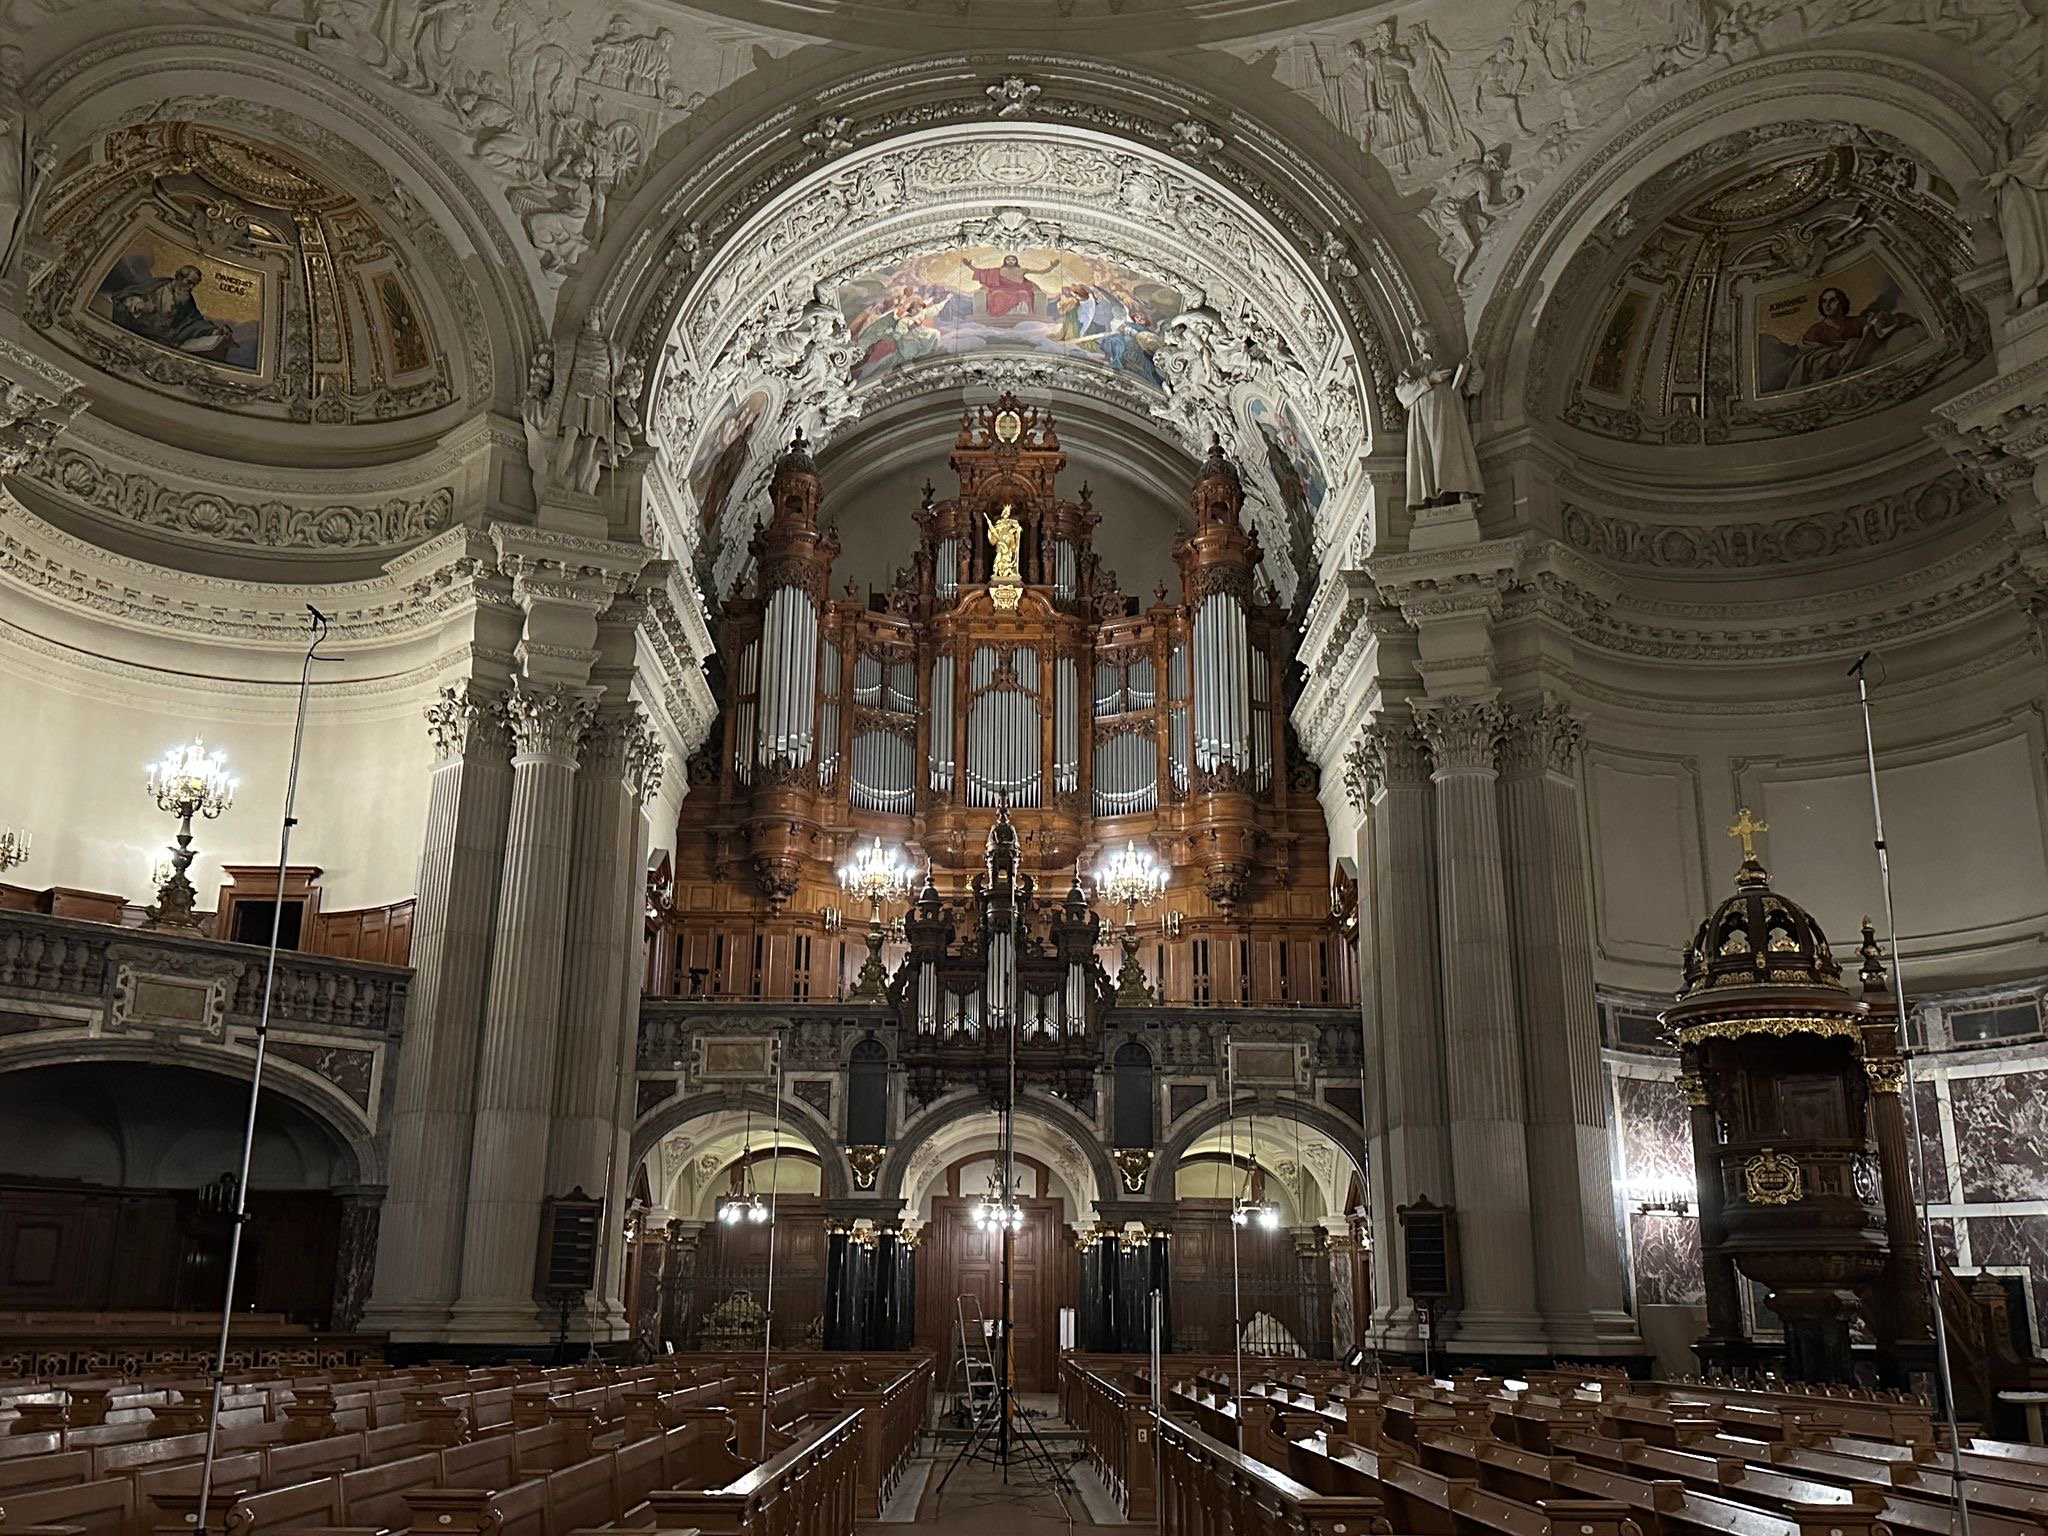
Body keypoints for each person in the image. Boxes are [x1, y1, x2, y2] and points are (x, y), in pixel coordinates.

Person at [1394, 324, 1484, 508]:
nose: (1417, 344)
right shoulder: (1412, 370)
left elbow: (1470, 388)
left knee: (1451, 451)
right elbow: (1402, 393)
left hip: (1449, 418)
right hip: (1424, 423)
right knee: (1430, 456)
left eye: (1421, 338)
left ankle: (1460, 491)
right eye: (1415, 341)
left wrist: (1474, 367)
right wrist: (1429, 380)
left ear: (1433, 337)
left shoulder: (1450, 364)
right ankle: (1434, 497)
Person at [1782, 286, 1917, 388]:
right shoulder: (1816, 331)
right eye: (1824, 301)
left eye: (1832, 300)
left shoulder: (1855, 322)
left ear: (1841, 303)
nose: (1827, 305)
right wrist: (1840, 354)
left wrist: (1876, 324)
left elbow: (1876, 324)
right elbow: (1808, 362)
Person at [111, 264, 235, 356]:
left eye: (194, 285)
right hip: (140, 332)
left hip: (164, 338)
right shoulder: (158, 286)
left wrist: (214, 331)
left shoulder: (186, 300)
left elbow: (195, 320)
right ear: (179, 278)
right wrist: (140, 305)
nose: (191, 287)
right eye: (189, 282)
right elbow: (126, 296)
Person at [1991, 122, 2048, 311]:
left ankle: (2031, 293)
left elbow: (2044, 142)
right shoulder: (2013, 130)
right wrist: (2002, 147)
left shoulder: (2038, 119)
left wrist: (2007, 171)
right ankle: (2028, 293)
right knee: (2021, 238)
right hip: (2019, 194)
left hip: (2035, 194)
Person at [959, 253, 1056, 316]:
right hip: (1001, 289)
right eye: (1008, 259)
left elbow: (1041, 272)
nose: (1010, 261)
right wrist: (969, 265)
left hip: (1018, 289)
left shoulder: (1022, 270)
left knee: (1023, 294)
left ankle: (1020, 313)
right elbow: (980, 272)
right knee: (997, 294)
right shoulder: (998, 270)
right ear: (1005, 261)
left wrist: (1052, 267)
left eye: (1013, 259)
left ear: (1016, 261)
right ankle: (999, 314)